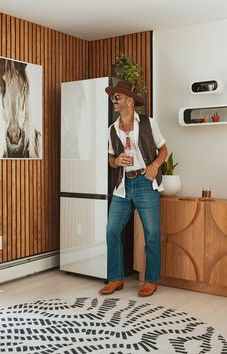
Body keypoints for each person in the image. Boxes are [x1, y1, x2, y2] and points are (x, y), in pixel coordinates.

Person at [99, 80, 168, 297]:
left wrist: (154, 166)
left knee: (152, 233)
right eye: (113, 98)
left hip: (145, 183)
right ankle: (116, 278)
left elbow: (164, 149)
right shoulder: (112, 130)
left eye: (117, 97)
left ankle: (151, 280)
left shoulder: (147, 123)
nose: (114, 101)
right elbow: (110, 159)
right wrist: (116, 161)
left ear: (129, 100)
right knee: (112, 230)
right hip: (122, 186)